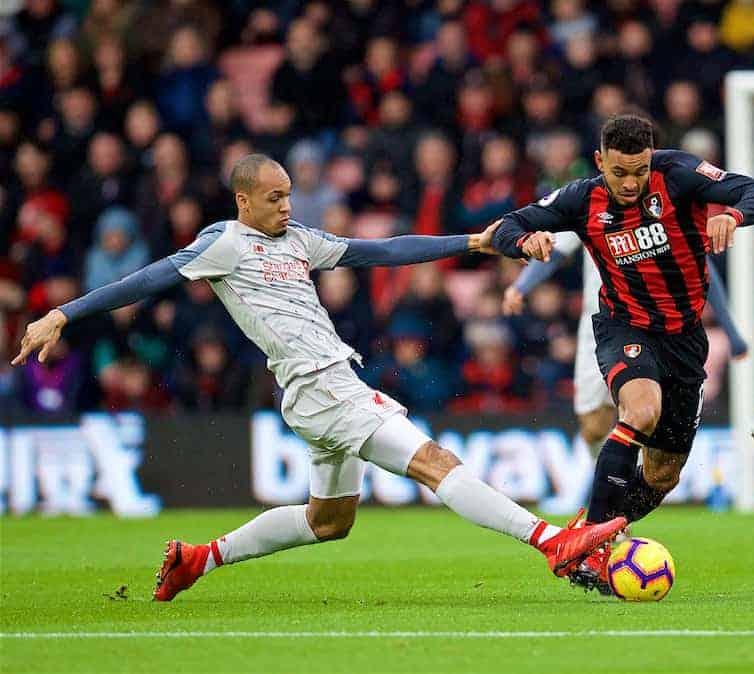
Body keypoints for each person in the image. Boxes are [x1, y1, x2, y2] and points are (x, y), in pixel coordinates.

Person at [11, 154, 626, 602]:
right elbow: (145, 280)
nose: (287, 206)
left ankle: (199, 560)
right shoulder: (222, 244)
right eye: (275, 198)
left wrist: (470, 242)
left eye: (288, 195)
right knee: (435, 461)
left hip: (321, 388)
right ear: (244, 201)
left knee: (329, 522)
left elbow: (378, 251)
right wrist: (63, 314)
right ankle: (551, 541)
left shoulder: (299, 238)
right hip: (322, 386)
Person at [492, 114, 754, 592]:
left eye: (640, 171)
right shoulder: (581, 198)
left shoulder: (681, 175)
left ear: (652, 158)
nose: (631, 183)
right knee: (641, 410)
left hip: (685, 339)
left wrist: (731, 215)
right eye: (619, 172)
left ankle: (593, 528)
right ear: (600, 161)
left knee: (663, 474)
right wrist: (525, 239)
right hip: (624, 325)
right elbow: (509, 224)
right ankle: (587, 547)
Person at [503, 234, 748, 464]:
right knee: (594, 427)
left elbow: (701, 266)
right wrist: (521, 287)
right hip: (600, 327)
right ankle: (617, 485)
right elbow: (554, 251)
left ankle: (627, 493)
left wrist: (731, 331)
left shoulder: (668, 203)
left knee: (643, 414)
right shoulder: (585, 198)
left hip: (655, 328)